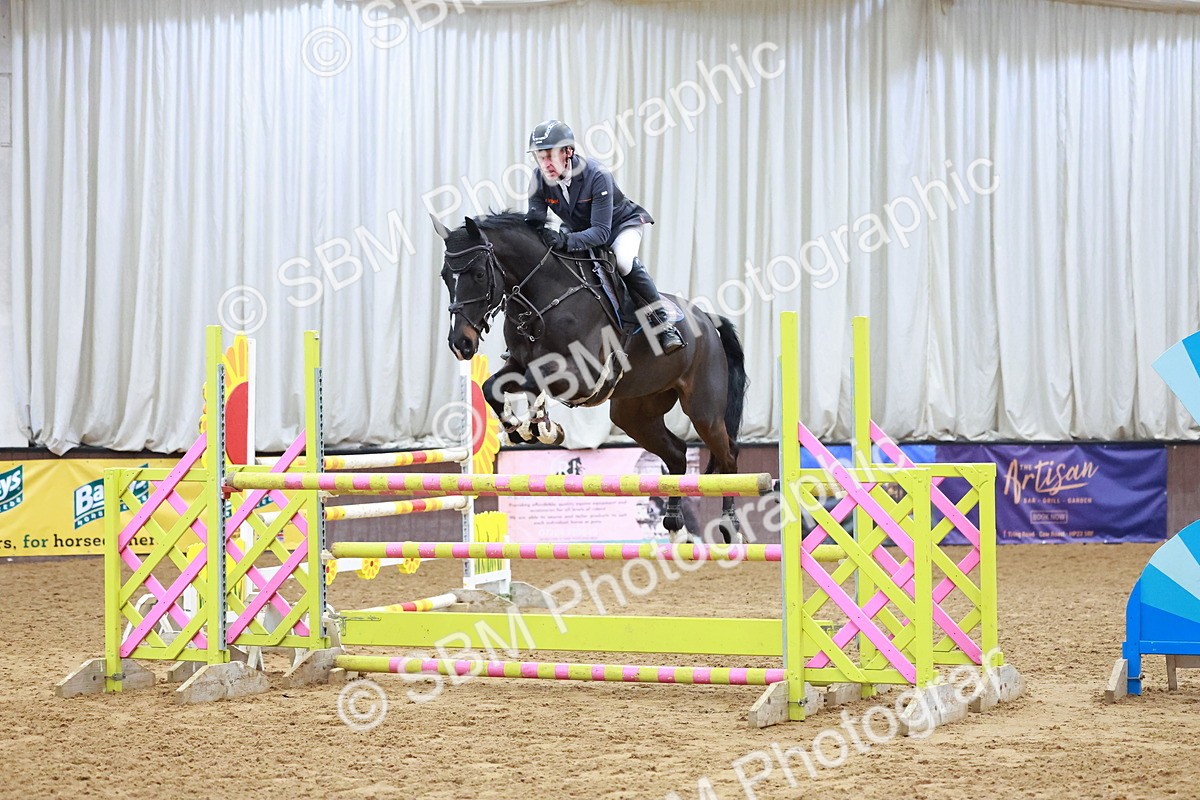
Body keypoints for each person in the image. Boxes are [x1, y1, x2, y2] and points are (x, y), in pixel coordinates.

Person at [524, 119, 684, 354]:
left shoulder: (596, 175)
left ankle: (661, 321)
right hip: (578, 229)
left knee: (622, 260)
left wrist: (566, 241)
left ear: (568, 152)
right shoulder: (538, 178)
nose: (544, 164)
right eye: (539, 157)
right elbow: (534, 221)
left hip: (619, 226)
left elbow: (601, 232)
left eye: (550, 156)